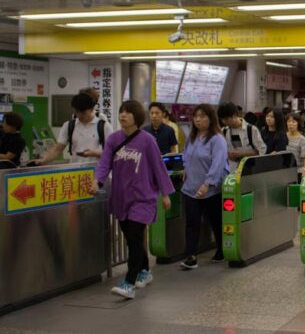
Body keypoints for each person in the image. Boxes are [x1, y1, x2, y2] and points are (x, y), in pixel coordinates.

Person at [91, 100, 174, 299]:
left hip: (142, 197)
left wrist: (166, 193)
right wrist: (98, 181)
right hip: (121, 197)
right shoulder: (113, 139)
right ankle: (145, 270)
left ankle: (129, 281)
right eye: (121, 112)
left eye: (127, 112)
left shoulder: (147, 141)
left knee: (135, 237)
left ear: (136, 117)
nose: (123, 115)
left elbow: (158, 167)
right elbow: (104, 163)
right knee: (131, 239)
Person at [180, 104, 228, 270]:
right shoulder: (191, 137)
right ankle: (191, 256)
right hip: (191, 186)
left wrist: (208, 183)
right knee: (192, 222)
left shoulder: (217, 139)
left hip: (211, 188)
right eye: (196, 116)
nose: (198, 120)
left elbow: (218, 163)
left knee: (216, 220)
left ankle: (221, 249)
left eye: (203, 116)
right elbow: (185, 154)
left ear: (211, 118)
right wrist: (186, 168)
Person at [35, 93, 113, 165]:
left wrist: (94, 153)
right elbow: (57, 149)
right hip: (75, 174)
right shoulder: (69, 125)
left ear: (92, 109)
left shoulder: (104, 126)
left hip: (97, 173)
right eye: (76, 112)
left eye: (83, 113)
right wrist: (43, 160)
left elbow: (112, 153)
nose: (79, 115)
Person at [218, 102, 266, 173]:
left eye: (226, 119)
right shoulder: (224, 131)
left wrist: (241, 154)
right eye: (222, 119)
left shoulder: (251, 129)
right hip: (232, 171)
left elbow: (262, 150)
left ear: (234, 115)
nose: (224, 122)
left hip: (251, 171)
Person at [286, 113, 305, 182]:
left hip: (298, 172)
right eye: (289, 121)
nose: (291, 124)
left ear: (298, 123)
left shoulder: (302, 139)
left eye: (294, 122)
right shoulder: (283, 137)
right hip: (285, 172)